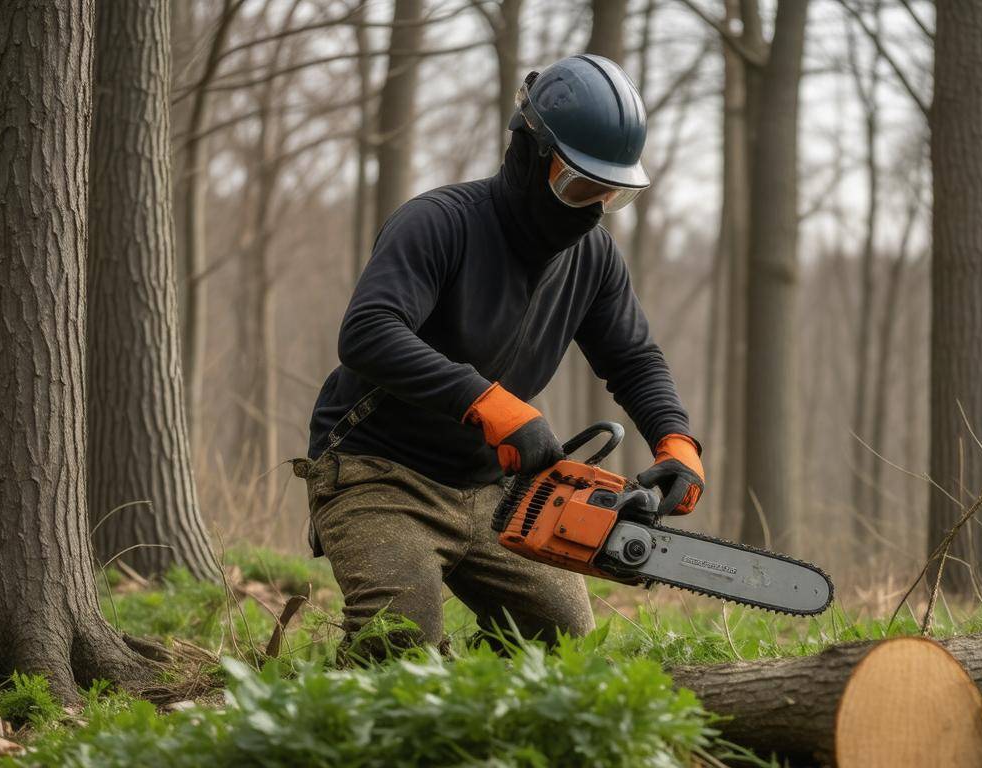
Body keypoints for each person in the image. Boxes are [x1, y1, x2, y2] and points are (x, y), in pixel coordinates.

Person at [293, 54, 704, 656]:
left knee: (563, 645)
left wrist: (676, 441)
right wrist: (490, 405)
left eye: (610, 194)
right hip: (380, 470)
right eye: (578, 186)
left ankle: (474, 693)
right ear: (529, 155)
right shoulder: (439, 223)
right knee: (400, 638)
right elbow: (369, 332)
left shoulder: (593, 259)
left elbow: (635, 360)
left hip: (493, 485)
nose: (591, 208)